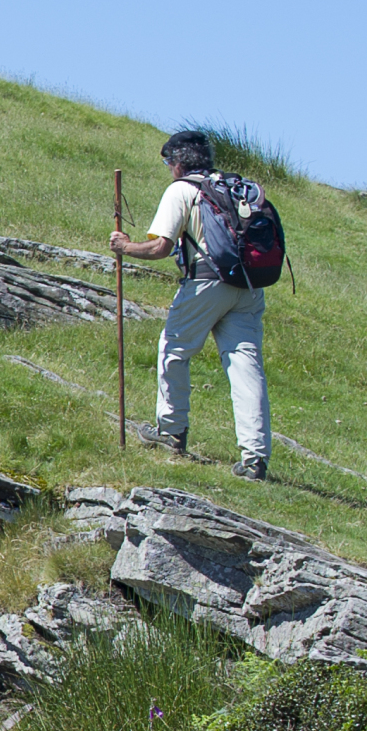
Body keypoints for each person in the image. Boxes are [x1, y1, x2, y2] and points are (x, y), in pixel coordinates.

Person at [111, 130, 270, 480]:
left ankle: (171, 431)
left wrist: (124, 246)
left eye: (169, 163)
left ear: (178, 163)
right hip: (249, 286)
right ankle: (255, 458)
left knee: (173, 349)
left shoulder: (182, 190)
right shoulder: (234, 187)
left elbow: (160, 248)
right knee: (246, 367)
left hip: (206, 283)